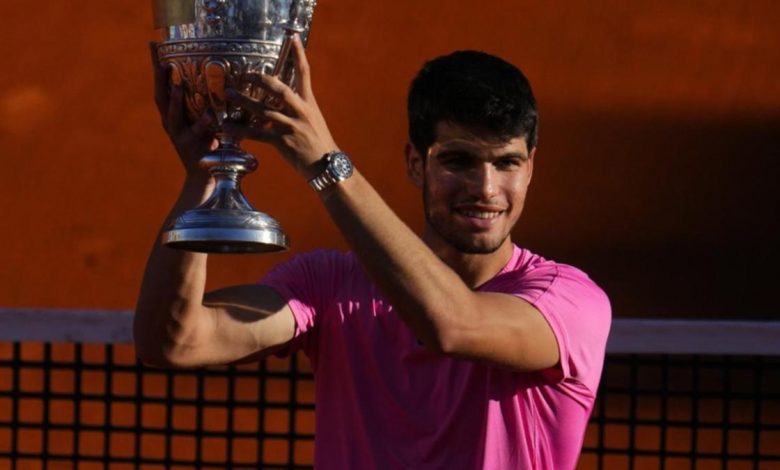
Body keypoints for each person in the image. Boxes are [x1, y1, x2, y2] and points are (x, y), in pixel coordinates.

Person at [135, 35, 611, 470]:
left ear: (530, 170)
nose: (486, 188)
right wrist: (205, 176)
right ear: (414, 163)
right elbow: (174, 342)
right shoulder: (328, 287)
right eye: (458, 160)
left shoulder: (568, 302)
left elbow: (452, 324)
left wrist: (326, 165)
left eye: (506, 163)